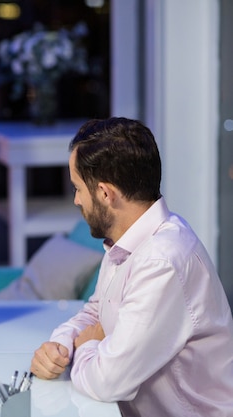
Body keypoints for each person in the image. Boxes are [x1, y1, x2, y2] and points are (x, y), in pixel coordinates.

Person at [30, 117, 233, 416]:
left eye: (78, 188)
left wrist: (86, 347)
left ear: (105, 193)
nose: (75, 200)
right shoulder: (127, 240)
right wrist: (61, 347)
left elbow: (107, 382)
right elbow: (95, 313)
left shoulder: (161, 261)